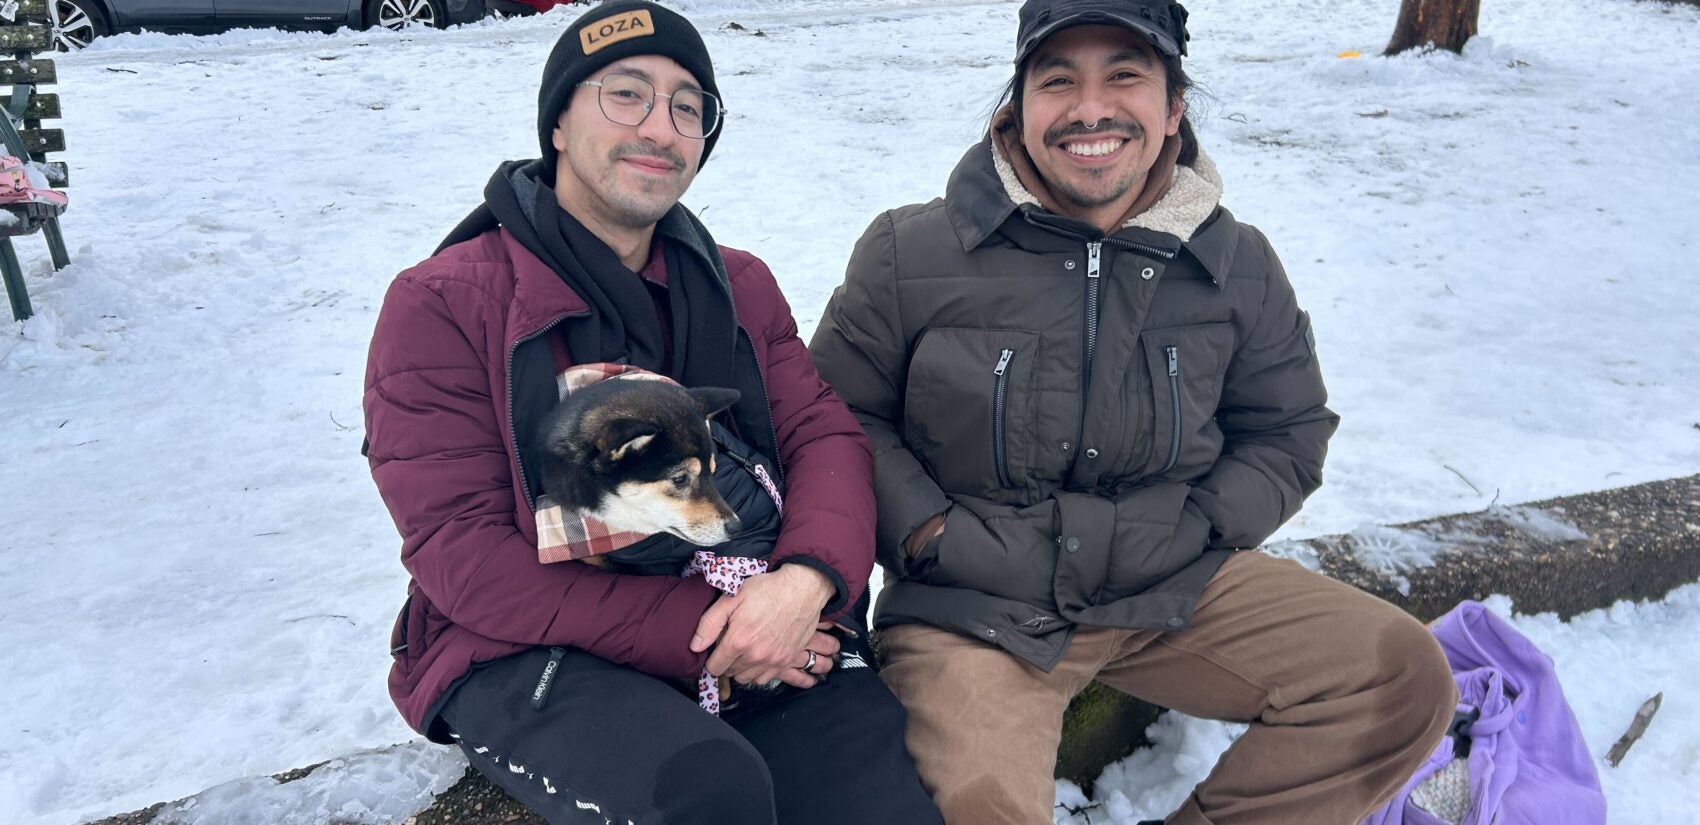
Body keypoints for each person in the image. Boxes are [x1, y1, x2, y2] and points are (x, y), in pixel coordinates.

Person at [807, 1, 1458, 823]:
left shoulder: (1236, 264)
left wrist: (1196, 527)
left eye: (1125, 76)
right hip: (974, 608)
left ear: (1173, 106)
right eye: (1058, 80)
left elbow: (1289, 430)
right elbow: (835, 419)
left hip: (1171, 588)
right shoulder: (911, 252)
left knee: (1399, 676)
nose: (1090, 109)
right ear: (1017, 105)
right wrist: (933, 535)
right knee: (976, 805)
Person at [362, 3, 941, 822]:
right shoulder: (445, 303)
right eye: (626, 94)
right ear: (558, 121)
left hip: (755, 602)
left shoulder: (738, 286)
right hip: (529, 641)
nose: (659, 129)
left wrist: (804, 582)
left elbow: (824, 437)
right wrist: (714, 630)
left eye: (686, 108)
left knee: (880, 801)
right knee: (705, 793)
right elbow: (461, 548)